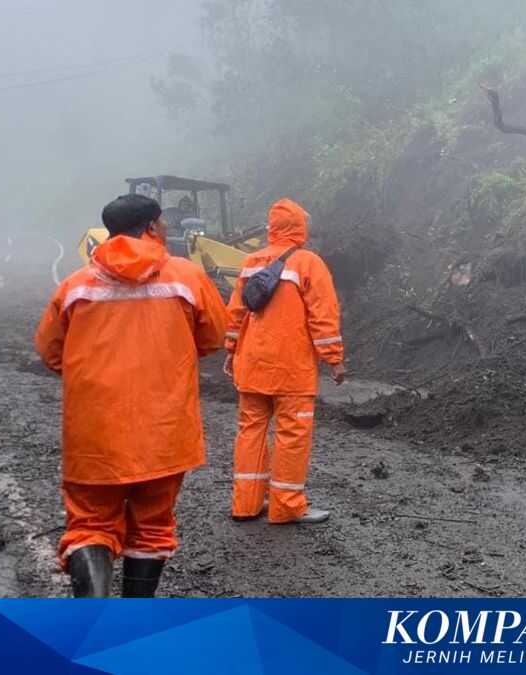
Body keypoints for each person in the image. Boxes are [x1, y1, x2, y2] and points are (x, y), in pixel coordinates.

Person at [35, 194, 229, 597]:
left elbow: (51, 352)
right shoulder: (187, 277)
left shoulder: (76, 285)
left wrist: (94, 378)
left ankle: (94, 620)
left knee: (90, 524)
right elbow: (212, 336)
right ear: (155, 227)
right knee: (153, 526)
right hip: (164, 428)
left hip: (94, 432)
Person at [224, 198, 346, 524]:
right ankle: (287, 506)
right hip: (291, 368)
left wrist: (230, 349)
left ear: (272, 228)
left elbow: (236, 312)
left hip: (251, 364)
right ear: (300, 227)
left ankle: (246, 505)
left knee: (250, 431)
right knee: (292, 434)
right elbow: (323, 315)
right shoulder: (308, 263)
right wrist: (334, 359)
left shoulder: (250, 262)